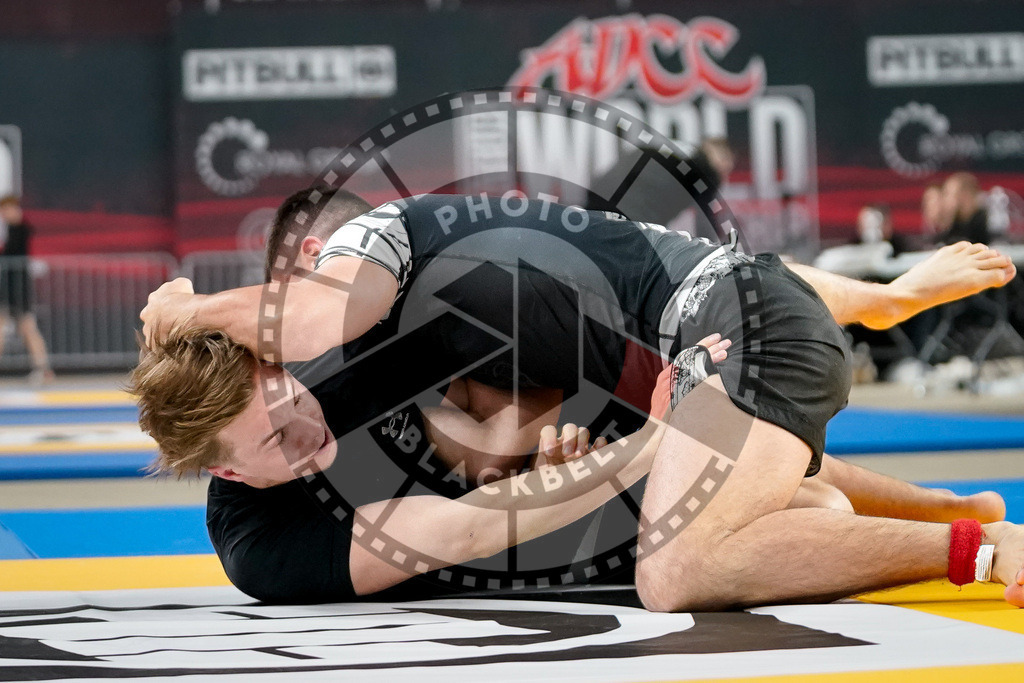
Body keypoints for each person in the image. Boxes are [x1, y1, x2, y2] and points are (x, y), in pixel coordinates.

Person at [136, 191, 1024, 610]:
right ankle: (955, 508)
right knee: (806, 500)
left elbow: (724, 283)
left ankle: (982, 547)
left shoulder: (372, 290)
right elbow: (467, 520)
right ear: (225, 469)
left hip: (715, 350)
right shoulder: (265, 538)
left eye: (290, 400)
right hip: (654, 393)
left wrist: (182, 307)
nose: (308, 425)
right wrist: (561, 446)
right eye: (278, 441)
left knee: (680, 568)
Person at [0, 195, 54, 385]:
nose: (4, 214)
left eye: (6, 210)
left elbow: (12, 253)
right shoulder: (10, 230)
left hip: (17, 289)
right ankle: (43, 368)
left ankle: (43, 368)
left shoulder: (21, 229)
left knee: (27, 328)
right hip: (9, 288)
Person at [939, 172, 990, 245]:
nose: (944, 199)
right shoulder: (956, 226)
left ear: (965, 195)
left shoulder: (987, 225)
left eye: (948, 194)